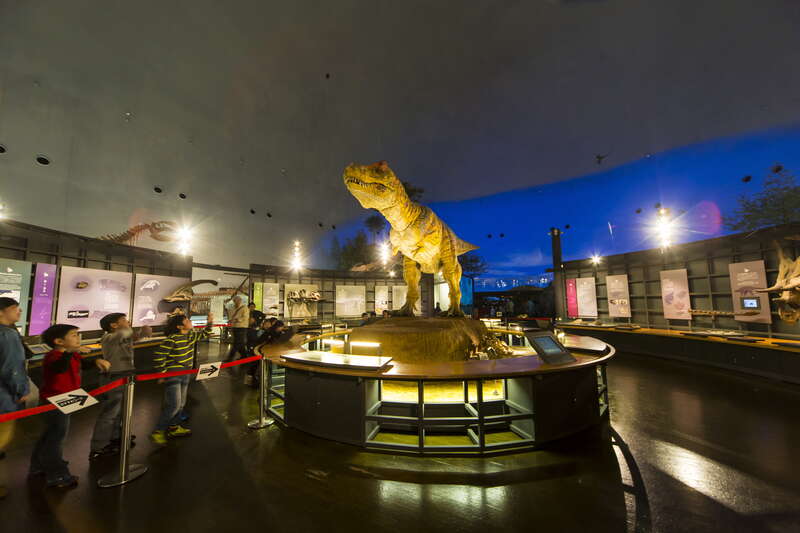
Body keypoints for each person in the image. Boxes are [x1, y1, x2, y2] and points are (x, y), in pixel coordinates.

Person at [31, 324, 108, 489]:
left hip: (66, 399)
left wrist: (96, 360)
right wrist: (72, 352)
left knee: (50, 436)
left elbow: (83, 364)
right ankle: (57, 475)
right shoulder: (53, 356)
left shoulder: (71, 355)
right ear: (59, 341)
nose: (77, 338)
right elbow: (60, 367)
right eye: (73, 335)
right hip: (54, 403)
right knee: (55, 439)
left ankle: (37, 467)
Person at [89, 313, 151, 460]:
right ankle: (98, 447)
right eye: (123, 320)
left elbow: (132, 337)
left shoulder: (122, 336)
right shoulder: (108, 338)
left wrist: (143, 332)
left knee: (122, 409)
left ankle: (116, 437)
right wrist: (136, 330)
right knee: (110, 412)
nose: (128, 321)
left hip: (126, 375)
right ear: (113, 325)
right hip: (114, 377)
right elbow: (125, 333)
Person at [150, 312, 213, 445]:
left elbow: (205, 333)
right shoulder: (172, 339)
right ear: (179, 326)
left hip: (186, 374)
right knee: (173, 405)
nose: (189, 321)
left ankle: (174, 427)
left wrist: (210, 321)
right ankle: (158, 431)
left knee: (181, 404)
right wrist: (162, 373)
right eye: (186, 320)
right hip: (173, 375)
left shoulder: (190, 336)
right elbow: (159, 355)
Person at [0, 298, 32, 499]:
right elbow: (12, 368)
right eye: (14, 308)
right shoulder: (8, 335)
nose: (19, 311)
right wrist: (21, 391)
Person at [226, 296, 249, 362]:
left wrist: (236, 319)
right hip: (235, 327)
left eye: (236, 301)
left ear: (240, 300)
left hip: (242, 327)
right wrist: (231, 320)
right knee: (240, 343)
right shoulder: (235, 308)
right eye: (234, 301)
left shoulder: (245, 308)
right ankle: (245, 356)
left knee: (236, 343)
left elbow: (245, 317)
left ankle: (230, 358)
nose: (235, 302)